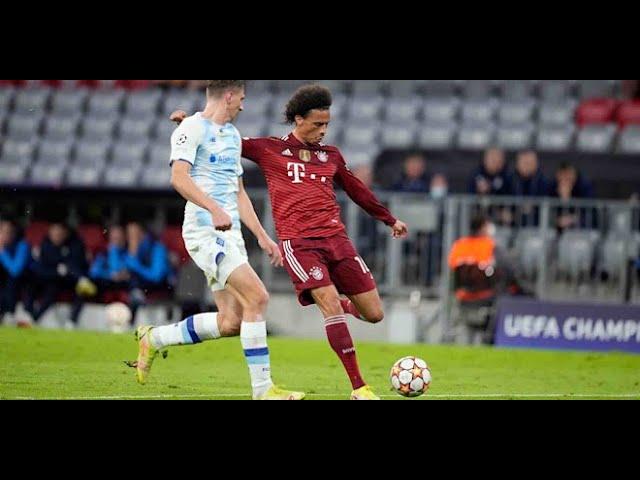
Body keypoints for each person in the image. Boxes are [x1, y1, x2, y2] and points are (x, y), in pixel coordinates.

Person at [172, 83, 409, 400]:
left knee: (374, 313)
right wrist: (189, 121)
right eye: (317, 124)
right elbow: (221, 141)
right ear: (298, 119)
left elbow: (357, 191)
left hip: (337, 240)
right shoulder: (269, 149)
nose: (323, 131)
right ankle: (359, 387)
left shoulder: (331, 155)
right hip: (300, 245)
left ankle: (343, 306)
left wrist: (389, 219)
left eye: (327, 124)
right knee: (328, 304)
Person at [132, 80, 304, 401]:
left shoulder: (231, 135)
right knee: (258, 297)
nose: (243, 104)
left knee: (230, 323)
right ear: (228, 96)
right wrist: (212, 208)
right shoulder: (191, 128)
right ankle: (264, 390)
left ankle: (154, 339)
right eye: (241, 98)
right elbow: (178, 178)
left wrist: (263, 237)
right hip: (204, 230)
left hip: (230, 234)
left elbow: (238, 193)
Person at [448, 215, 529, 344]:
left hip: (462, 296)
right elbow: (508, 269)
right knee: (510, 291)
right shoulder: (489, 245)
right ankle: (491, 338)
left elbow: (453, 270)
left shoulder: (459, 245)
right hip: (486, 296)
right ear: (482, 228)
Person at [24, 222, 96, 328]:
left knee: (81, 289)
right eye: (54, 233)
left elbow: (77, 265)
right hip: (51, 279)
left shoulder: (76, 245)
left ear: (65, 233)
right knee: (37, 286)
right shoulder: (45, 245)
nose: (56, 236)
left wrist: (76, 275)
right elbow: (41, 269)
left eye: (59, 233)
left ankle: (71, 322)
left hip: (71, 279)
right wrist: (57, 271)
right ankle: (32, 317)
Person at [0, 219, 30, 325]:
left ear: (14, 233)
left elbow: (15, 270)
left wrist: (2, 252)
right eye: (2, 231)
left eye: (9, 232)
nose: (5, 235)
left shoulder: (22, 245)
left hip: (22, 282)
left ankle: (9, 314)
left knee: (11, 280)